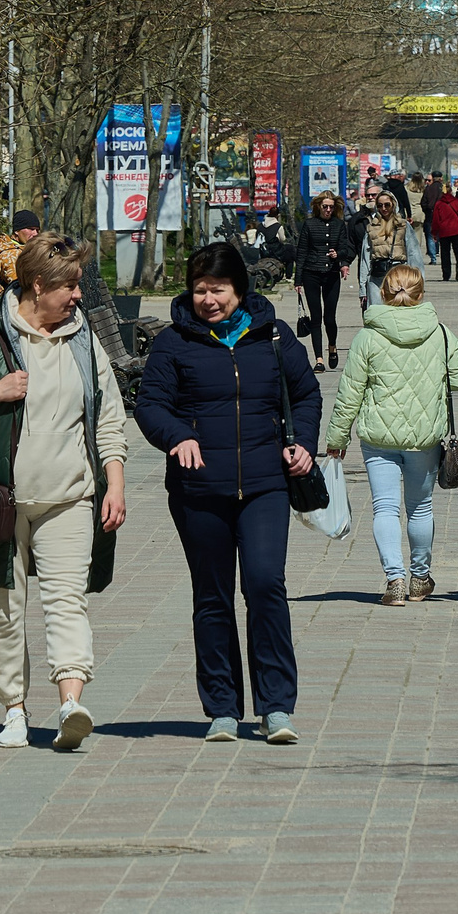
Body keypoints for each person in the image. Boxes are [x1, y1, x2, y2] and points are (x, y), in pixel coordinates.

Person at [0, 233, 128, 750]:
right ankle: (14, 709)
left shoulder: (84, 341)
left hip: (69, 496)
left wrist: (116, 485)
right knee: (5, 610)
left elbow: (108, 419)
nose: (78, 296)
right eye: (70, 286)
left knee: (68, 602)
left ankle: (70, 702)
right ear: (38, 285)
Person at [134, 241, 321, 744]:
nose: (208, 300)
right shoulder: (174, 342)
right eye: (199, 290)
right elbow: (150, 405)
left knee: (264, 585)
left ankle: (276, 707)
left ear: (240, 288)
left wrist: (304, 442)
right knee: (212, 597)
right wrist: (179, 436)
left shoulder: (275, 336)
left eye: (218, 290)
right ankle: (221, 708)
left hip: (266, 485)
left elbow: (305, 394)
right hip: (199, 490)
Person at [326, 264, 458, 606]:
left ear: (383, 293)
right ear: (422, 293)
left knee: (385, 509)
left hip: (378, 438)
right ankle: (420, 578)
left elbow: (350, 393)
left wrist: (337, 439)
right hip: (424, 436)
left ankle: (395, 581)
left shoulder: (367, 337)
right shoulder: (442, 334)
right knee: (420, 509)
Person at [293, 192, 358, 367]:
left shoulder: (339, 225)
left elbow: (345, 248)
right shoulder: (309, 224)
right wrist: (298, 280)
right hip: (311, 273)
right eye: (325, 207)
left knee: (329, 317)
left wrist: (339, 255)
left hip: (331, 274)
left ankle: (332, 346)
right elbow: (301, 253)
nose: (328, 210)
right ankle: (319, 359)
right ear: (318, 207)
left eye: (331, 207)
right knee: (316, 317)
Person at [362, 190, 408, 309]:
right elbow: (365, 258)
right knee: (377, 313)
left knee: (398, 312)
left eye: (387, 204)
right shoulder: (371, 227)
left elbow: (414, 255)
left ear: (394, 204)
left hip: (399, 277)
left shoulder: (403, 225)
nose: (384, 208)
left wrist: (418, 283)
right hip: (377, 277)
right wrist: (362, 289)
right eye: (380, 205)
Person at [0, 208, 44, 292]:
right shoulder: (10, 255)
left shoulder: (25, 250)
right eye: (31, 229)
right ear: (17, 231)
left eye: (37, 230)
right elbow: (21, 288)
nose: (35, 233)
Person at [427, 178, 458, 282]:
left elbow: (436, 220)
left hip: (444, 231)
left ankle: (446, 274)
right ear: (451, 191)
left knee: (445, 253)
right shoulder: (457, 202)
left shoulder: (439, 204)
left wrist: (434, 232)